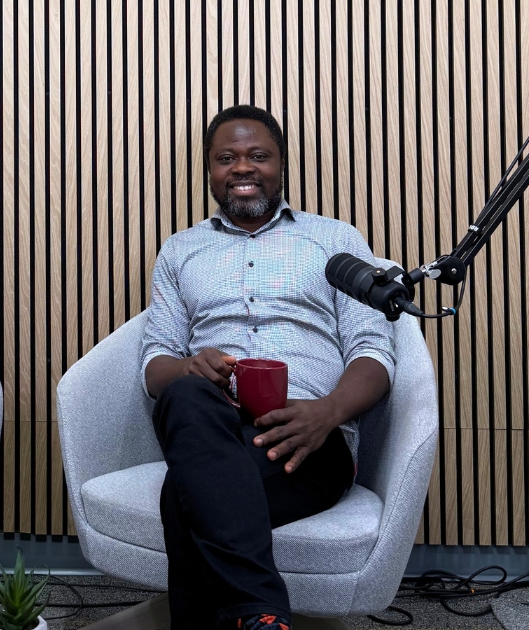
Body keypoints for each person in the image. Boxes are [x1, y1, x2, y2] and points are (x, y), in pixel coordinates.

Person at [141, 105, 396, 630]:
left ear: (281, 166)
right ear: (209, 170)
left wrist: (326, 413)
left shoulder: (335, 240)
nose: (242, 167)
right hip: (209, 424)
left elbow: (375, 351)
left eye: (258, 156)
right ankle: (261, 613)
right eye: (225, 158)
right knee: (185, 395)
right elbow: (155, 362)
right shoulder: (180, 251)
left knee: (183, 497)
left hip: (308, 436)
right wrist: (190, 368)